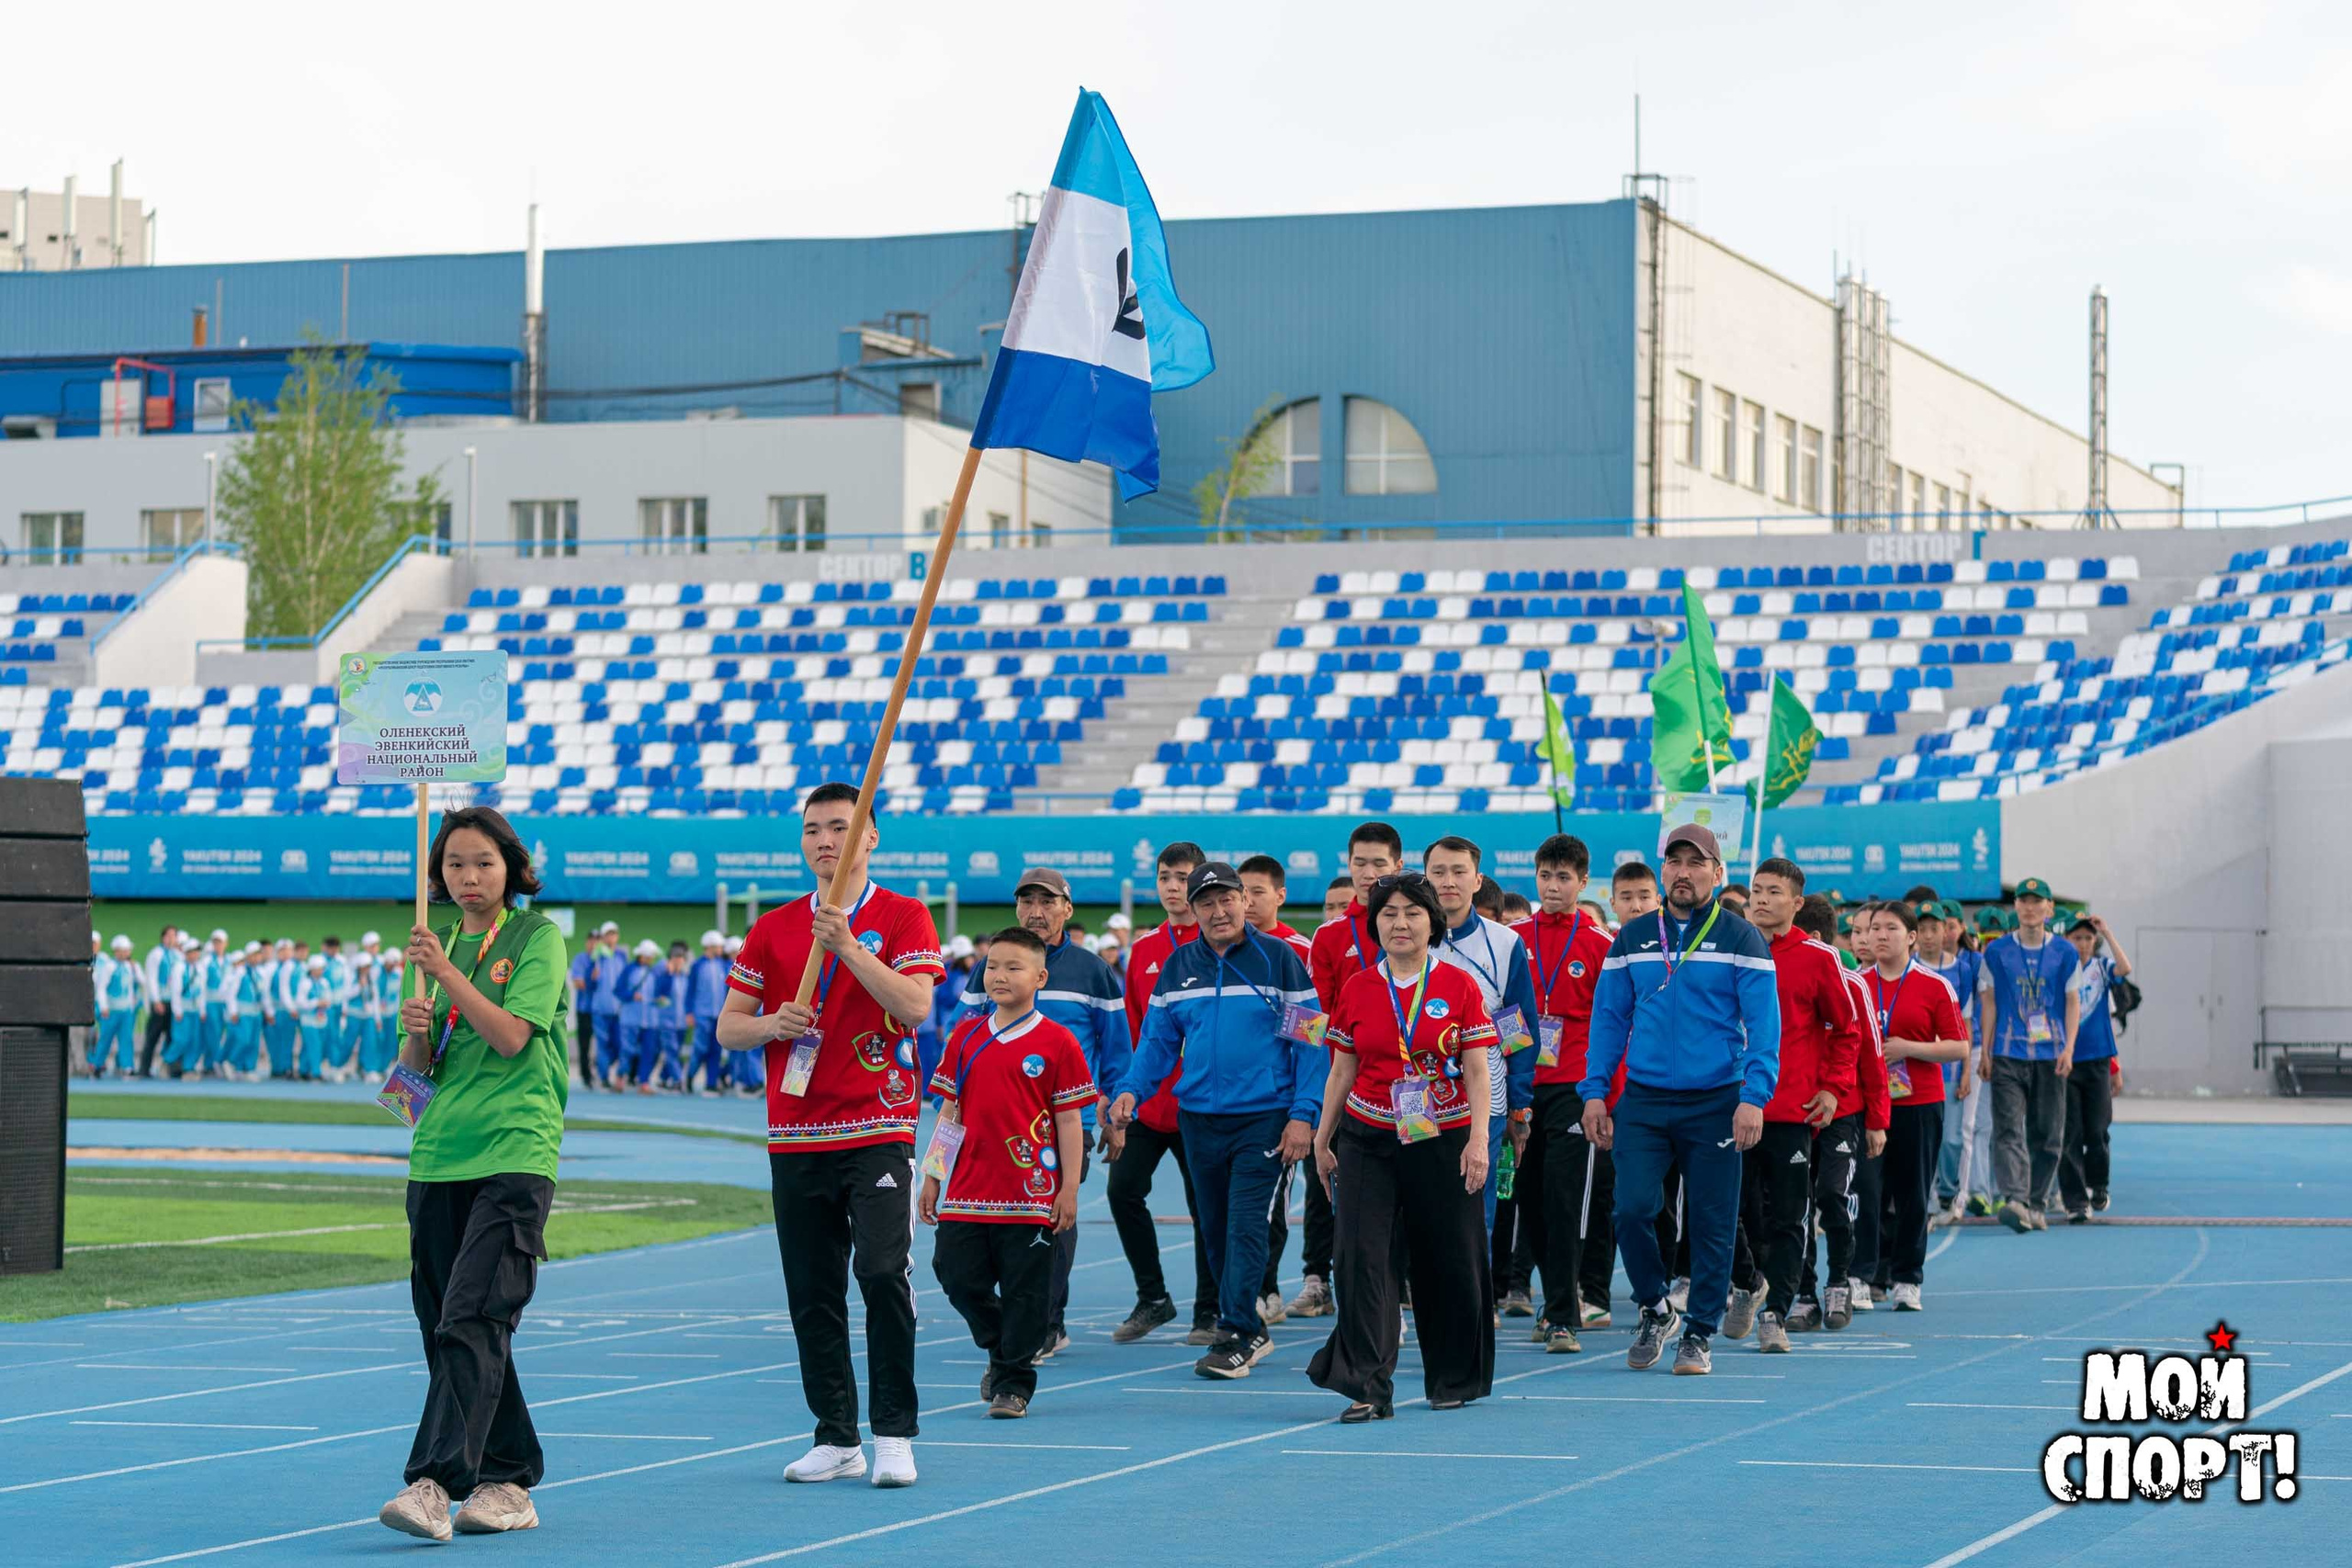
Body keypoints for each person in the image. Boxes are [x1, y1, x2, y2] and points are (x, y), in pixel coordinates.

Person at [716, 781, 943, 1489]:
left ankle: (895, 1434)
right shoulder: (775, 926)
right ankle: (836, 1434)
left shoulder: (904, 916)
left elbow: (915, 1007)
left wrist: (846, 946)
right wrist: (772, 1025)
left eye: (841, 827)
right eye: (814, 828)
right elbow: (730, 1027)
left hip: (877, 1123)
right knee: (811, 1289)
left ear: (870, 837)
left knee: (880, 1272)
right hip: (796, 1131)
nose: (826, 840)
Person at [378, 805, 570, 1543]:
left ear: (511, 867)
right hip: (437, 1156)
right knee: (450, 1327)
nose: (467, 876)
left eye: (482, 861)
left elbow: (513, 1035)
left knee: (473, 1315)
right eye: (454, 863)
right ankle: (510, 1473)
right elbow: (408, 1087)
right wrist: (418, 1037)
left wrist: (447, 973)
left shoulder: (535, 937)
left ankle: (432, 1483)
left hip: (513, 1153)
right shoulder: (432, 945)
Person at [1109, 861, 1323, 1380]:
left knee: (1247, 1223)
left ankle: (1237, 1332)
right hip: (1199, 1119)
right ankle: (1246, 1325)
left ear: (1245, 902)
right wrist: (1130, 1092)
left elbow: (1312, 1043)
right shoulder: (1179, 966)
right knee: (1215, 1230)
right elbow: (1158, 1042)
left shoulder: (1281, 960)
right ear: (1194, 908)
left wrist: (1303, 1116)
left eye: (1227, 899)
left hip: (1265, 1120)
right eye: (1206, 902)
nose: (1218, 910)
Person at [1581, 824, 1779, 1377]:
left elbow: (1765, 1026)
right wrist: (1596, 1091)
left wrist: (1753, 1095)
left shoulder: (1742, 937)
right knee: (1631, 1208)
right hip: (1643, 1098)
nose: (1684, 872)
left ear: (1718, 875)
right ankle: (1655, 1306)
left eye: (1697, 864)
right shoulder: (1633, 936)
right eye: (1675, 862)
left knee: (1714, 1223)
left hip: (1717, 1098)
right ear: (1662, 871)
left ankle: (1698, 1334)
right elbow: (1609, 1019)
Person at [1307, 871, 1496, 1419]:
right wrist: (1324, 1137)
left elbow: (1479, 1071)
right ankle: (1368, 1385)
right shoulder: (1360, 987)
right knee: (1360, 1259)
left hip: (1445, 1136)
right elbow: (1342, 1069)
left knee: (1449, 1257)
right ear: (1375, 924)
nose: (1400, 923)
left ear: (1431, 921)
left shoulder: (1458, 986)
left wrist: (1480, 1140)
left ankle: (1453, 1377)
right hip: (1368, 1135)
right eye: (1388, 913)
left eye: (1412, 912)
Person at [956, 867, 1130, 1357]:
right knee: (978, 1242)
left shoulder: (1093, 970)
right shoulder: (987, 967)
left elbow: (1117, 1048)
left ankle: (1046, 1322)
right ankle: (1019, 1319)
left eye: (1047, 902)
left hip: (1063, 1120)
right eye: (1027, 901)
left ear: (1067, 910)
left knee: (1055, 1217)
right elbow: (961, 1035)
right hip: (994, 1118)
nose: (1036, 911)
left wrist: (1115, 1113)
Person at [921, 927, 1093, 1418]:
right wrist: (933, 1176)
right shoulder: (965, 1036)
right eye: (992, 966)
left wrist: (1069, 1190)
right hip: (967, 1192)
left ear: (1040, 976)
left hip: (1032, 1196)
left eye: (1013, 967)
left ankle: (1013, 1385)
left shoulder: (1058, 1042)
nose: (999, 975)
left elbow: (1068, 1121)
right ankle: (1006, 1345)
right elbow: (949, 1114)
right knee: (954, 1275)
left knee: (1027, 1291)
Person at [1740, 858, 1861, 1353]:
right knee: (1735, 1214)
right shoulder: (1728, 949)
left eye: (1774, 892)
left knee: (1788, 1217)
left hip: (1793, 1112)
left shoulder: (1819, 958)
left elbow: (1847, 1031)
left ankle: (1776, 1313)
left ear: (1796, 904)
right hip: (1732, 1107)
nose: (1762, 899)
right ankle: (1748, 1285)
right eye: (1757, 890)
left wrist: (1833, 1089)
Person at [1292, 821, 1405, 1320]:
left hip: (1413, 1091)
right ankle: (1321, 1279)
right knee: (1329, 1187)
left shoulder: (1416, 923)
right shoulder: (1332, 935)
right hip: (1348, 1086)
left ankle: (1399, 1289)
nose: (1368, 872)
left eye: (1380, 863)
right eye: (1360, 862)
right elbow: (1314, 1020)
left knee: (1406, 1197)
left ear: (1398, 866)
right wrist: (1314, 1090)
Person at [1108, 840, 1219, 1345]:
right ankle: (1153, 1298)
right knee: (1122, 1191)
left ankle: (1210, 1310)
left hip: (1202, 1106)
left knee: (1207, 1208)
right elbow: (1136, 1030)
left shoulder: (1224, 941)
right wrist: (1124, 1095)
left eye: (1182, 877)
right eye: (1165, 877)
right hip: (1150, 1106)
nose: (1173, 887)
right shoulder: (1145, 950)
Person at [1516, 833, 1618, 1351]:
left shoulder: (1601, 945)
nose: (1552, 887)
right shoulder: (1512, 938)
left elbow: (1617, 1023)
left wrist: (1609, 1097)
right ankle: (1551, 1297)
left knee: (1563, 1200)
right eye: (1544, 876)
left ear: (1582, 882)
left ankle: (1561, 1314)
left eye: (1563, 878)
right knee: (1527, 1200)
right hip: (1520, 1088)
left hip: (1576, 1090)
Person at [1423, 836, 1537, 1243]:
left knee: (1475, 1208)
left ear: (1477, 880)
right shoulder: (1404, 936)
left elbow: (1518, 1032)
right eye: (1438, 872)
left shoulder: (1505, 943)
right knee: (1421, 1204)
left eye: (1458, 871)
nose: (1448, 881)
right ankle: (1421, 1301)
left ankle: (1475, 1305)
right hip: (1418, 1098)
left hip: (1483, 1098)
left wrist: (1520, 1105)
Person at [1860, 900, 1969, 1307]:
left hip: (1918, 1102)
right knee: (1868, 1193)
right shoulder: (1857, 983)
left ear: (1910, 937)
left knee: (1911, 1192)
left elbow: (1959, 1047)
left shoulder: (1934, 984)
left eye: (1890, 928)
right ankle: (1868, 1273)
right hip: (1870, 1104)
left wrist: (1909, 1048)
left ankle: (1907, 1276)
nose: (1881, 935)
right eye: (1875, 928)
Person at [1789, 894, 1890, 1327]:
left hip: (1842, 1113)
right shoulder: (1778, 975)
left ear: (1813, 939)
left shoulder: (1853, 984)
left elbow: (1871, 1054)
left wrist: (1878, 1121)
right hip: (1793, 1113)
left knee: (1832, 1194)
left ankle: (1839, 1282)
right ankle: (1805, 1291)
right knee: (1795, 1206)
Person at [1979, 877, 2079, 1233]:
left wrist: (2069, 1047)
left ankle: (2037, 1202)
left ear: (2049, 908)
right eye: (2023, 901)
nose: (2030, 907)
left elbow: (2072, 1001)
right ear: (2016, 908)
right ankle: (2016, 1199)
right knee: (2008, 1129)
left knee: (2048, 1132)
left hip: (2051, 1054)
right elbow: (1988, 1000)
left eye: (2038, 902)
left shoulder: (2066, 953)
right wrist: (1986, 1050)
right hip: (2008, 1053)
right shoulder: (1997, 952)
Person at [1240, 852, 1315, 1325]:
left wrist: (1302, 1104)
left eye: (1257, 892)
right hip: (1226, 1103)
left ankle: (1267, 1287)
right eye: (1238, 893)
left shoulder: (1297, 950)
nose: (1245, 903)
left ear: (1280, 896)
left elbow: (1311, 1028)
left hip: (1282, 1099)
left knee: (1272, 1202)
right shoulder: (1221, 948)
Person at [2058, 911, 2132, 1222]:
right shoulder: (2060, 970)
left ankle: (2098, 1184)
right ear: (2066, 940)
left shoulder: (2101, 968)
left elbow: (2125, 968)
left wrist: (2108, 932)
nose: (2083, 944)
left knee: (2098, 1131)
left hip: (2099, 1061)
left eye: (2088, 938)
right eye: (2077, 938)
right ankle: (2075, 1200)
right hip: (2067, 1063)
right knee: (2069, 1134)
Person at [1924, 901, 1990, 1226]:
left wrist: (1968, 1067)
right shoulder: (1908, 966)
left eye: (1941, 927)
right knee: (1926, 1136)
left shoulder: (1966, 967)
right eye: (1922, 929)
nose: (1933, 935)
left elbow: (1966, 1020)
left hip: (1956, 1061)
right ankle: (1932, 1197)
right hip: (1918, 1064)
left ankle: (1956, 1193)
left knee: (1957, 1134)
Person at [685, 931, 736, 1095]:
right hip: (702, 1014)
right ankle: (689, 1076)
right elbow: (690, 991)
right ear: (709, 947)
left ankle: (711, 1084)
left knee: (716, 1050)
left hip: (719, 1015)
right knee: (701, 1049)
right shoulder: (697, 965)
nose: (722, 949)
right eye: (719, 946)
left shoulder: (724, 965)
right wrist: (689, 1012)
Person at [95, 934, 141, 1077]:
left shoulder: (131, 966)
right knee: (105, 1038)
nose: (125, 953)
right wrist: (103, 1006)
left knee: (126, 1038)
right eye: (122, 950)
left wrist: (136, 969)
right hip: (111, 1010)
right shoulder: (110, 966)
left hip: (126, 1010)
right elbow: (101, 988)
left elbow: (141, 982)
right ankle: (97, 1065)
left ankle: (127, 1066)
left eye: (127, 950)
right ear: (116, 951)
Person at [588, 923, 627, 1090]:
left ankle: (601, 1065)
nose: (611, 937)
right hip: (600, 1009)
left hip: (618, 1009)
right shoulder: (597, 956)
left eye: (614, 934)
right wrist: (592, 976)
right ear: (603, 937)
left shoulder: (622, 956)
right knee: (602, 1044)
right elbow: (588, 983)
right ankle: (604, 1078)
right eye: (608, 934)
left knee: (619, 1045)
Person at [139, 924, 181, 1077]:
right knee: (152, 1037)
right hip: (160, 1002)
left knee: (173, 1037)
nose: (171, 939)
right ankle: (144, 1069)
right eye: (168, 936)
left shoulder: (178, 955)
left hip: (173, 1003)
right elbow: (152, 979)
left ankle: (172, 1069)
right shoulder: (156, 954)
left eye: (174, 936)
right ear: (163, 937)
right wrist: (156, 1000)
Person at [1611, 861, 1659, 926]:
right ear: (1613, 904)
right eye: (1626, 898)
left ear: (1658, 902)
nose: (1636, 907)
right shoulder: (1607, 936)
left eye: (1644, 897)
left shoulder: (1673, 935)